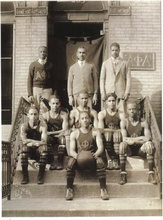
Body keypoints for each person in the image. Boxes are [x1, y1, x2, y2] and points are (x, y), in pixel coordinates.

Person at [66, 111, 109, 200]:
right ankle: (69, 189)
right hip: (80, 160)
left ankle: (103, 189)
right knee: (70, 163)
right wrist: (78, 157)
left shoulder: (95, 132)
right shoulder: (75, 133)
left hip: (92, 159)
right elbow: (71, 150)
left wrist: (96, 155)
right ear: (79, 121)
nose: (85, 120)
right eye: (82, 118)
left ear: (90, 120)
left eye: (86, 118)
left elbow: (101, 147)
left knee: (100, 162)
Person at [119, 101, 157, 185]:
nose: (132, 111)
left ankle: (151, 174)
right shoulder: (124, 122)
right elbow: (124, 139)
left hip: (140, 149)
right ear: (127, 111)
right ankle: (123, 174)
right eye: (130, 109)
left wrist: (134, 140)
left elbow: (147, 138)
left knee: (149, 145)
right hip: (129, 150)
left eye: (134, 109)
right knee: (122, 145)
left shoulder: (143, 122)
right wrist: (140, 139)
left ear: (137, 110)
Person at [100, 42, 131, 112]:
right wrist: (103, 92)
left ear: (119, 50)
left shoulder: (125, 63)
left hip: (121, 93)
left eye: (116, 50)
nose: (114, 52)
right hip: (109, 92)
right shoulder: (105, 63)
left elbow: (128, 79)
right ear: (110, 51)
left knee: (121, 113)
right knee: (108, 113)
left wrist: (127, 92)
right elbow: (102, 79)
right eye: (113, 50)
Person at [20, 106, 48, 185]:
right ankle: (25, 176)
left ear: (38, 115)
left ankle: (40, 176)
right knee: (24, 150)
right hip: (30, 150)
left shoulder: (42, 125)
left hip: (38, 149)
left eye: (35, 114)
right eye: (31, 114)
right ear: (28, 115)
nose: (33, 116)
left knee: (44, 149)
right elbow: (24, 140)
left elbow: (44, 141)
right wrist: (36, 142)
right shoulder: (24, 126)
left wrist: (31, 142)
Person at [98, 93, 125, 170]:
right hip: (107, 136)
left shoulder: (121, 114)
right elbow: (101, 129)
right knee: (108, 135)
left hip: (117, 136)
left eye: (113, 101)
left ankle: (116, 159)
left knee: (117, 135)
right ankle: (109, 159)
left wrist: (115, 132)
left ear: (116, 101)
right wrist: (113, 131)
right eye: (109, 101)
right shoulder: (102, 113)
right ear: (106, 102)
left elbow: (123, 129)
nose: (111, 103)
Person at [42, 95, 69, 170]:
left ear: (59, 104)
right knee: (46, 138)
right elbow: (45, 131)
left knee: (63, 139)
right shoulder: (45, 115)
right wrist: (49, 134)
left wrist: (50, 133)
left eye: (57, 103)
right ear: (49, 104)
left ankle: (60, 162)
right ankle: (52, 162)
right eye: (53, 103)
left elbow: (64, 130)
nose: (55, 106)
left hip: (60, 136)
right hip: (51, 138)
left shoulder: (63, 114)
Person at [27, 46, 56, 111]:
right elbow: (29, 79)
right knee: (36, 108)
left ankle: (45, 121)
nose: (42, 53)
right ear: (38, 53)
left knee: (46, 108)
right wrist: (30, 94)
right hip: (36, 89)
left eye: (44, 52)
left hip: (47, 89)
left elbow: (54, 80)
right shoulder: (33, 65)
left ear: (47, 53)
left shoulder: (50, 65)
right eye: (41, 52)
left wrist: (54, 92)